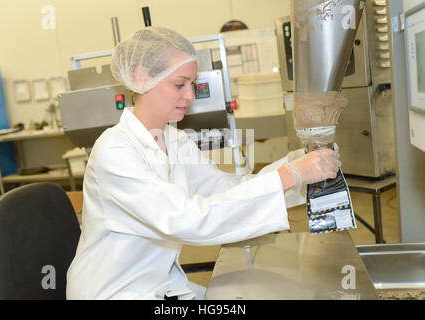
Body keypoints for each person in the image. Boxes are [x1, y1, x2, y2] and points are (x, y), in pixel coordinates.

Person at [66, 26, 341, 300]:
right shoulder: (114, 151)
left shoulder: (175, 140)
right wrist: (288, 175)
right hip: (114, 292)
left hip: (160, 287)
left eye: (192, 85)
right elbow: (187, 218)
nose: (190, 96)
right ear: (141, 76)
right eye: (179, 84)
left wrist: (295, 166)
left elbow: (223, 188)